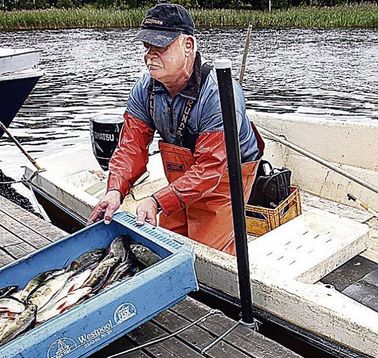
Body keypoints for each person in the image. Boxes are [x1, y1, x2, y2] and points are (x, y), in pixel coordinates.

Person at [88, 2, 262, 255]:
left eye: (160, 46)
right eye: (147, 47)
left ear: (188, 46)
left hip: (227, 173)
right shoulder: (144, 89)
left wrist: (157, 201)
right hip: (182, 170)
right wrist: (115, 190)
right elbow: (131, 146)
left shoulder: (219, 94)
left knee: (207, 253)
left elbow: (210, 168)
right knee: (168, 242)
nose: (150, 55)